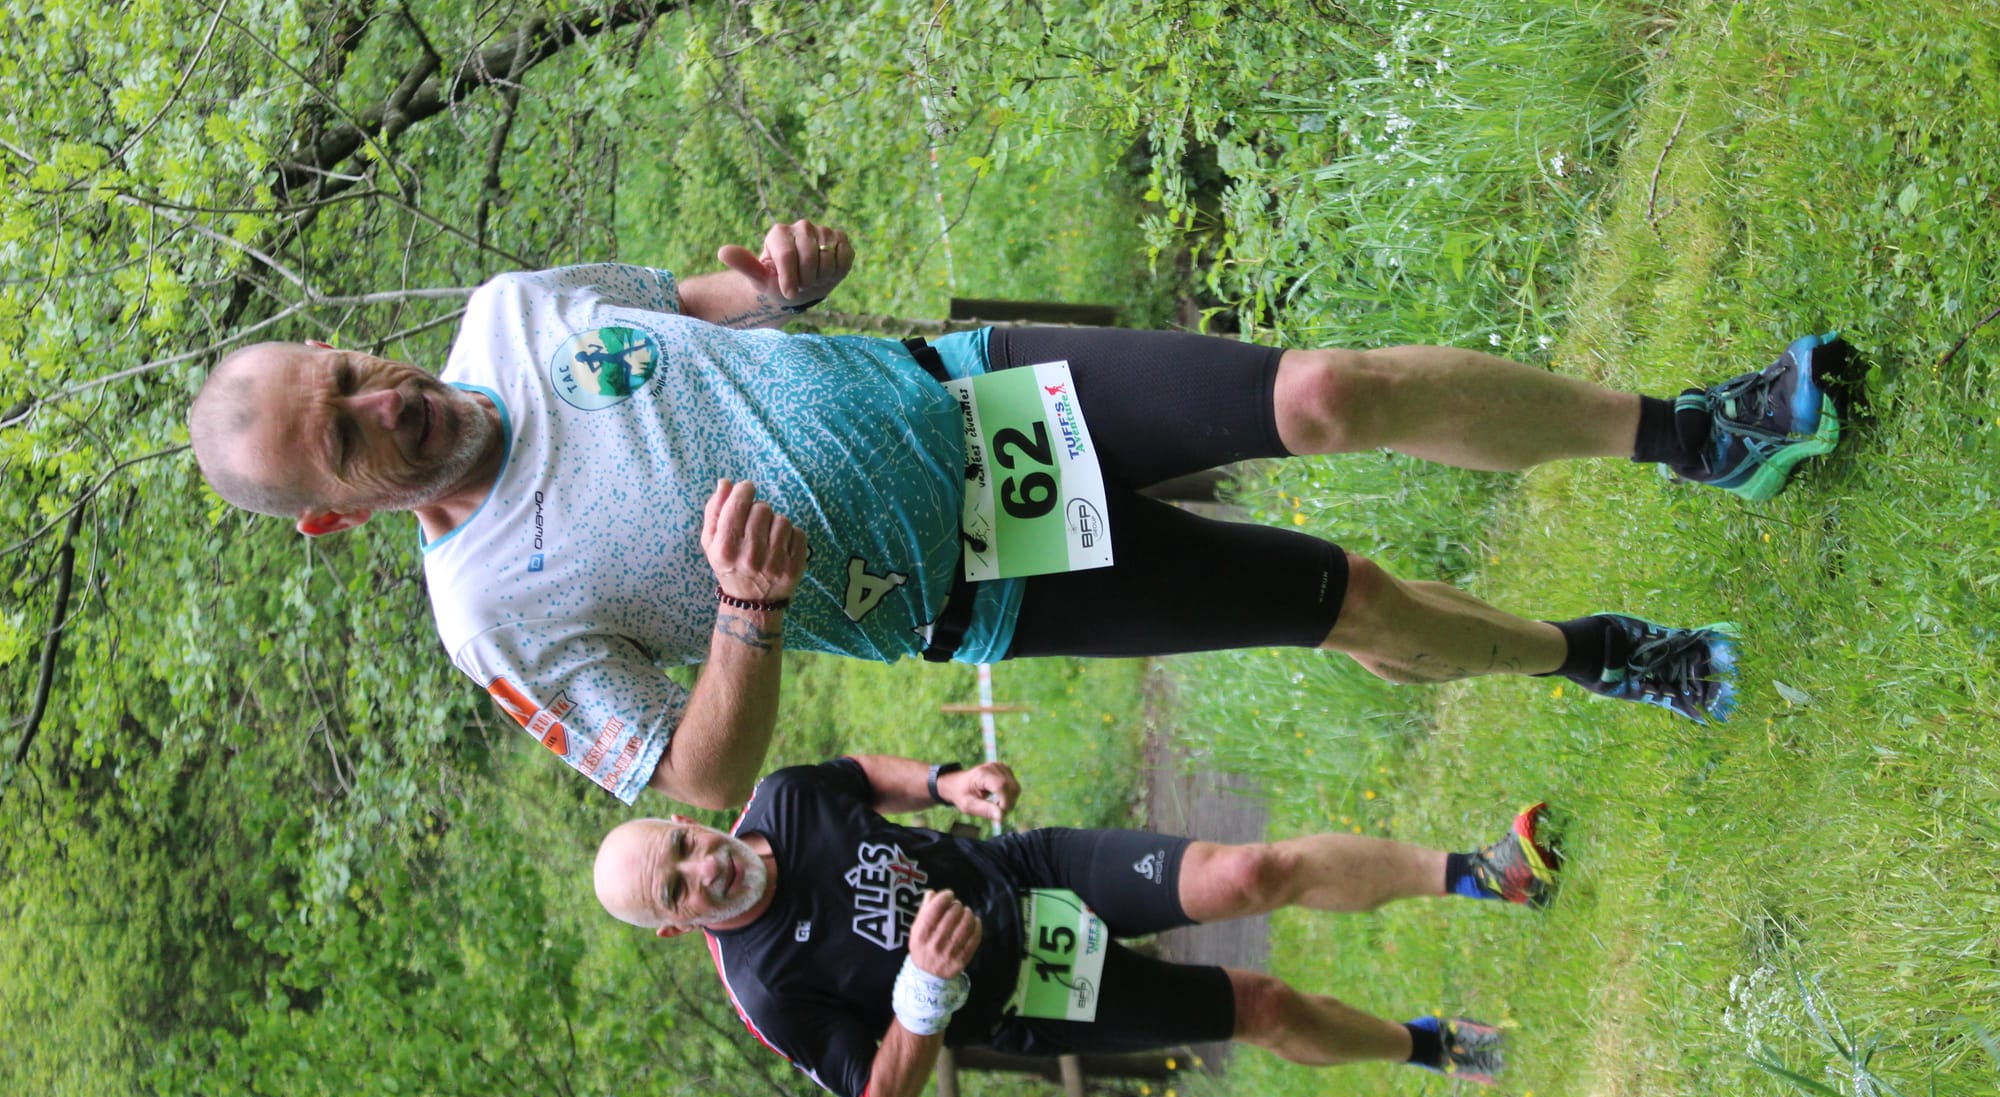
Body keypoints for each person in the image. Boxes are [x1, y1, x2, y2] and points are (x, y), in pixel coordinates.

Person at [187, 217, 1852, 809]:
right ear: (331, 518)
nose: (378, 401)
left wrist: (776, 283)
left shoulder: (509, 309)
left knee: (1325, 392)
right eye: (343, 440)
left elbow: (700, 299)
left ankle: (1696, 432)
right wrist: (751, 621)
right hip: (988, 578)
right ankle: (1589, 652)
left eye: (345, 368)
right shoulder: (494, 616)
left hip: (969, 391)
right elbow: (693, 775)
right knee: (1334, 595)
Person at [592, 753, 1566, 1097]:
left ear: (687, 817)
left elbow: (855, 775)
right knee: (1256, 1006)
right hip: (1031, 995)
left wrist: (942, 782)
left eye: (681, 840)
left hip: (1024, 872)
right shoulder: (766, 990)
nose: (702, 863)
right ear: (677, 926)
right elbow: (882, 1095)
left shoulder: (783, 799)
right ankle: (1435, 1046)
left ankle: (1488, 873)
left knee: (1246, 874)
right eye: (678, 885)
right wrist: (924, 988)